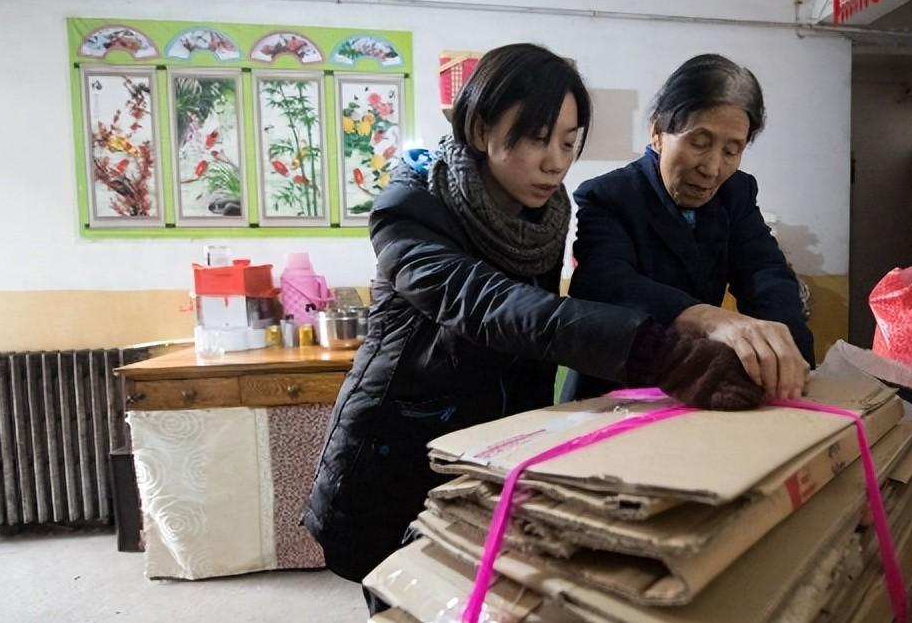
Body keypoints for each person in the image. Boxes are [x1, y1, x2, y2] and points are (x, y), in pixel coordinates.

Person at [303, 44, 763, 591]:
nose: (556, 162)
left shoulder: (543, 217)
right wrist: (659, 351)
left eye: (569, 143)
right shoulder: (411, 209)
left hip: (496, 457)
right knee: (406, 595)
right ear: (480, 128)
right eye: (536, 139)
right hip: (399, 458)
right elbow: (492, 305)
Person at [568, 54, 814, 403]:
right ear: (657, 131)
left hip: (699, 385)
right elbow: (604, 281)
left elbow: (764, 272)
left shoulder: (736, 194)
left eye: (732, 150)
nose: (712, 168)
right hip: (619, 389)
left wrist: (788, 352)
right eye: (699, 143)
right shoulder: (611, 195)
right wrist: (705, 317)